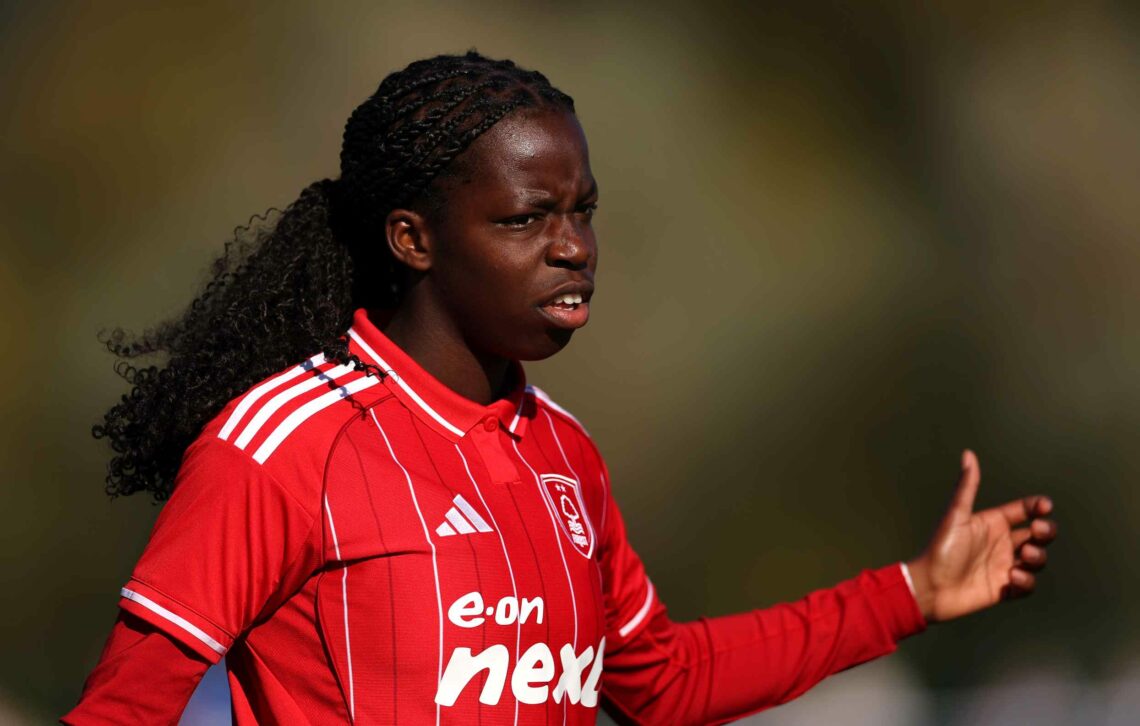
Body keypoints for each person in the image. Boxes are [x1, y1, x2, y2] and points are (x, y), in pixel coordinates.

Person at [63, 51, 1057, 725]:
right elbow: (123, 708)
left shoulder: (564, 453)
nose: (574, 247)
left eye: (583, 212)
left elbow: (664, 683)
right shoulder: (283, 445)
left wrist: (910, 593)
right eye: (526, 220)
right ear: (413, 239)